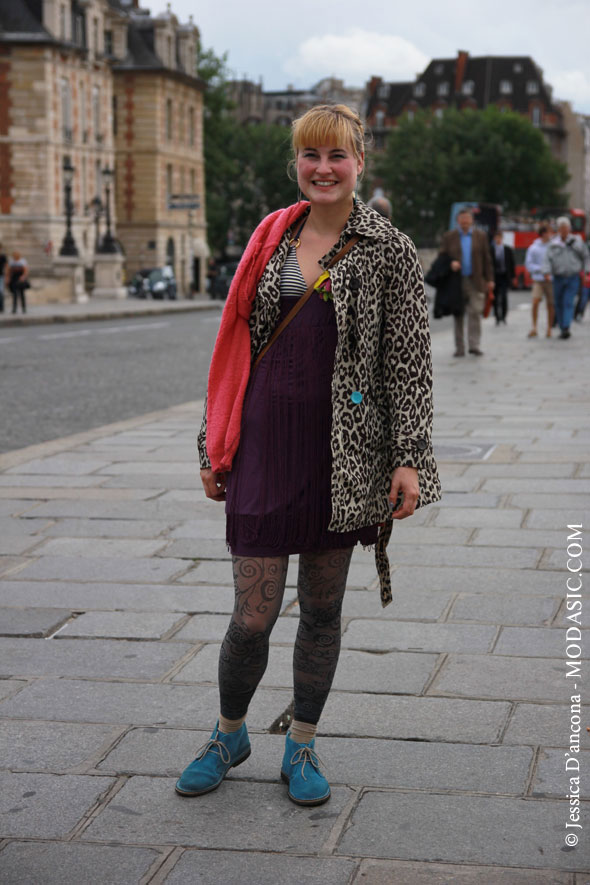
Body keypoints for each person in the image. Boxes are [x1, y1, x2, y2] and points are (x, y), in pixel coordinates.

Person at [176, 104, 441, 807]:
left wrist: (409, 456)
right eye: (309, 155)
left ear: (360, 162)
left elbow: (408, 363)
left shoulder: (388, 248)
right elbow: (233, 348)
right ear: (297, 163)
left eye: (337, 156)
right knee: (252, 614)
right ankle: (228, 731)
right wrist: (215, 442)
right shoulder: (271, 235)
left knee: (321, 612)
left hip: (345, 455)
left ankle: (301, 744)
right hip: (263, 444)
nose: (323, 168)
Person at [439, 209, 494, 356]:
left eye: (467, 219)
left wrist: (489, 279)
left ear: (472, 221)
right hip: (457, 281)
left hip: (475, 280)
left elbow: (486, 258)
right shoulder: (449, 236)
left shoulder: (480, 236)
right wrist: (451, 263)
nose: (465, 221)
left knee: (475, 311)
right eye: (462, 219)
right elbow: (442, 257)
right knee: (458, 314)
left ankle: (474, 344)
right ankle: (459, 347)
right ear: (458, 221)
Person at [542, 216, 588, 339]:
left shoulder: (577, 242)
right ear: (558, 229)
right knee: (559, 302)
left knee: (568, 301)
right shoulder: (553, 243)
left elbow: (586, 257)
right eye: (561, 228)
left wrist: (586, 273)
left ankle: (566, 327)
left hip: (573, 276)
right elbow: (547, 259)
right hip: (558, 277)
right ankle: (562, 326)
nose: (563, 230)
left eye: (565, 228)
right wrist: (546, 272)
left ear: (569, 229)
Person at [525, 224, 554, 338]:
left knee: (551, 304)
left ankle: (549, 328)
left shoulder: (553, 246)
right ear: (543, 233)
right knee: (535, 302)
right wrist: (542, 270)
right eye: (549, 232)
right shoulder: (534, 247)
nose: (551, 234)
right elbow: (529, 264)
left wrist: (549, 272)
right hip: (538, 279)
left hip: (551, 279)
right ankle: (534, 327)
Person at [490, 230, 514, 325]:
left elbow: (511, 264)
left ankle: (503, 316)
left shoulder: (507, 249)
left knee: (504, 297)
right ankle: (497, 317)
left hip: (504, 276)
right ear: (494, 238)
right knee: (495, 298)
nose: (498, 239)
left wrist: (512, 277)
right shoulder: (491, 249)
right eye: (497, 237)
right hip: (495, 277)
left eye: (500, 237)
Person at [0, 243, 7, 312]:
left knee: (1, 291)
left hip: (1, 276)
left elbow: (6, 266)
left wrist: (7, 276)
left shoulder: (3, 256)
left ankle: (1, 307)